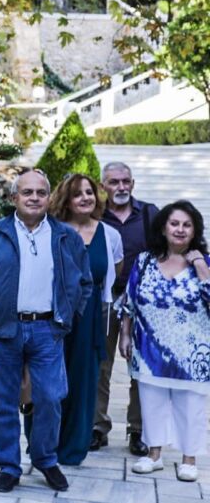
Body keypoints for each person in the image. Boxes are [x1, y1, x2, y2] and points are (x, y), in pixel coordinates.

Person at [0, 169, 93, 494]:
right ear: (13, 197)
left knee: (50, 397)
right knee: (3, 402)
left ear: (49, 197)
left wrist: (66, 316)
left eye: (40, 192)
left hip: (47, 330)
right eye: (27, 192)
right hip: (3, 329)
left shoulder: (66, 236)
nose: (34, 198)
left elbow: (85, 283)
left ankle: (45, 458)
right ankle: (8, 466)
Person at [119, 200, 210, 482]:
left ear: (194, 231)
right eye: (174, 224)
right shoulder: (145, 261)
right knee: (151, 402)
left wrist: (199, 264)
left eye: (187, 225)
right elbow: (130, 301)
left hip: (192, 353)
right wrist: (125, 334)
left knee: (191, 406)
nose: (180, 230)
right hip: (149, 349)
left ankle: (189, 459)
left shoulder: (205, 263)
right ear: (163, 228)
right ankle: (154, 454)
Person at [41, 174, 123, 466]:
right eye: (77, 194)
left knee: (85, 380)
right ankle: (46, 444)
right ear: (67, 199)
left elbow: (111, 274)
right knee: (51, 381)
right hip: (54, 315)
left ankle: (74, 448)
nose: (86, 198)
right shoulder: (51, 231)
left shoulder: (110, 235)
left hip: (90, 317)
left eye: (89, 192)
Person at [94, 161, 159, 455]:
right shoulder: (96, 216)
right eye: (114, 182)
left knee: (140, 367)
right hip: (105, 298)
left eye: (125, 181)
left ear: (132, 183)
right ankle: (97, 427)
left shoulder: (149, 214)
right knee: (100, 365)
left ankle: (138, 430)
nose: (121, 187)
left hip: (143, 301)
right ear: (103, 186)